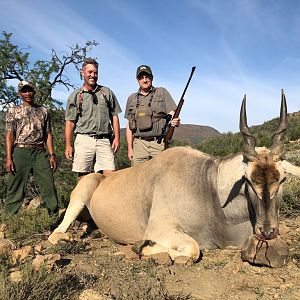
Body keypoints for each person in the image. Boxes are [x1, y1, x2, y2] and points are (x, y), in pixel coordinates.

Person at [5, 80, 58, 216]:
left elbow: (48, 134)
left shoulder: (43, 111)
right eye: (24, 91)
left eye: (29, 90)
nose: (27, 93)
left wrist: (52, 155)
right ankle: (9, 219)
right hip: (20, 151)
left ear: (34, 91)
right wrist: (9, 157)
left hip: (39, 151)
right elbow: (10, 135)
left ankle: (54, 216)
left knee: (48, 184)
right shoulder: (13, 110)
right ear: (19, 94)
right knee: (15, 186)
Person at [65, 58, 121, 180]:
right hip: (84, 139)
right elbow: (70, 122)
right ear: (82, 72)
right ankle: (84, 199)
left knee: (110, 177)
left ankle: (105, 200)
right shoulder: (75, 95)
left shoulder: (106, 92)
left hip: (104, 139)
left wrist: (117, 138)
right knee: (83, 177)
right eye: (90, 72)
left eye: (95, 72)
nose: (93, 75)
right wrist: (68, 145)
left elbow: (114, 116)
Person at [125, 65, 180, 166]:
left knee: (160, 177)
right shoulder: (131, 98)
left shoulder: (161, 92)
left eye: (147, 77)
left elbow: (173, 112)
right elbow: (129, 125)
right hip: (139, 145)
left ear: (152, 78)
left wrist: (174, 121)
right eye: (141, 77)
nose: (144, 80)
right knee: (138, 178)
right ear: (137, 80)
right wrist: (130, 148)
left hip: (158, 144)